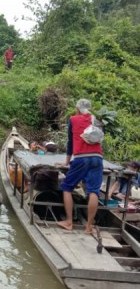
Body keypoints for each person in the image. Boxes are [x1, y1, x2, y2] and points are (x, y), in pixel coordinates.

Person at [56, 99, 103, 234]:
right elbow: (100, 139)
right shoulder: (97, 120)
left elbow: (70, 142)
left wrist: (67, 162)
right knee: (94, 191)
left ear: (77, 109)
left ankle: (69, 222)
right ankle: (89, 227)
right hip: (97, 158)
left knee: (67, 187)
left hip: (81, 158)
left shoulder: (73, 119)